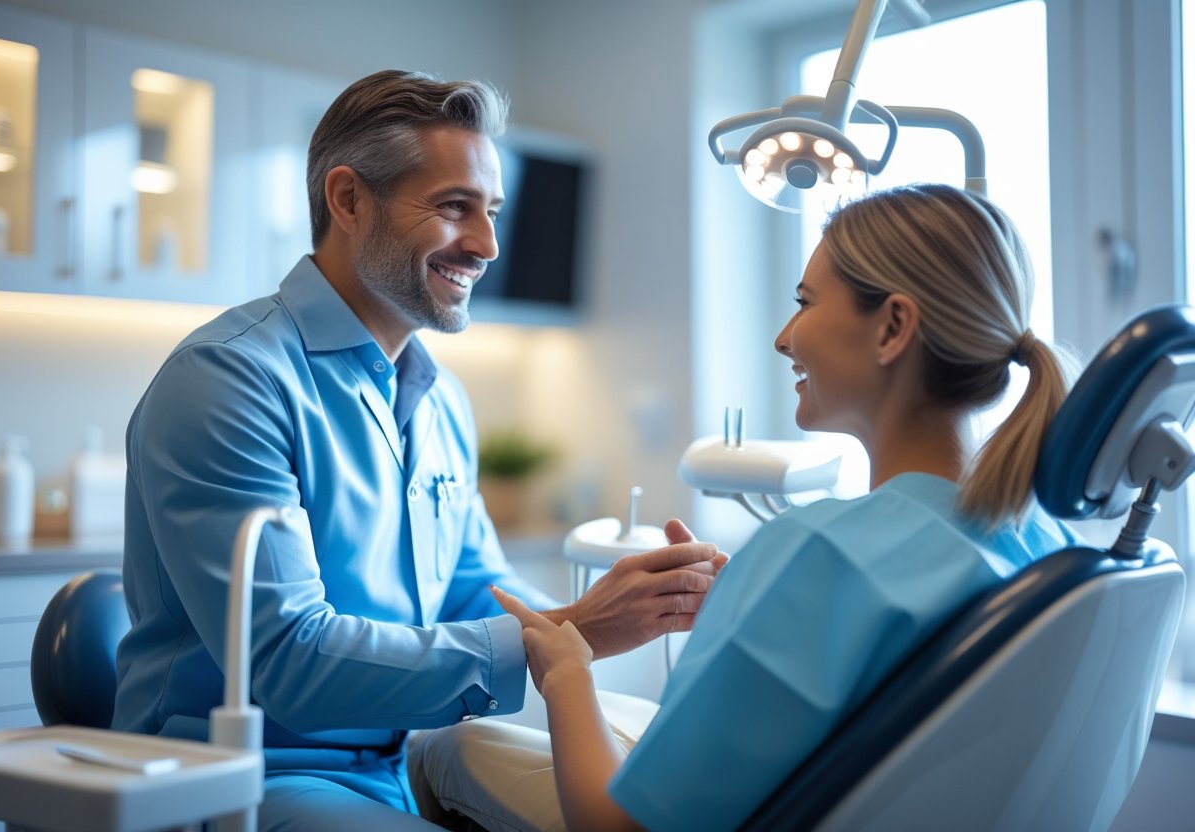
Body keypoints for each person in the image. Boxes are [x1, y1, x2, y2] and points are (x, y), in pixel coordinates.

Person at [112, 69, 725, 831]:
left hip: (394, 766)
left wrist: (650, 607)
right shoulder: (231, 380)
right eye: (453, 207)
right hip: (236, 778)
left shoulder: (440, 401)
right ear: (347, 200)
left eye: (492, 211)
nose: (488, 244)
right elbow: (289, 664)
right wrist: (580, 631)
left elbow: (482, 594)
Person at [406, 183, 1082, 832]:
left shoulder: (820, 552)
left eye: (806, 302)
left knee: (446, 749)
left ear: (893, 327)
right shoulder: (1042, 539)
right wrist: (758, 606)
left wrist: (566, 667)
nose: (785, 338)